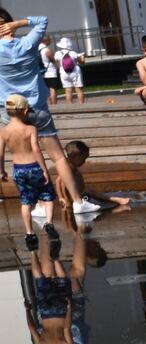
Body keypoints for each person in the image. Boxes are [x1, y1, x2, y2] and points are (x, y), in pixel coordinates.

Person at [0, 12, 81, 209]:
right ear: (9, 24)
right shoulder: (28, 42)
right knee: (58, 156)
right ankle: (78, 202)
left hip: (9, 109)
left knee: (23, 158)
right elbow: (43, 20)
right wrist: (19, 24)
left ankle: (36, 205)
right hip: (36, 105)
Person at [0, 94, 55, 251]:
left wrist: (2, 170)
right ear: (25, 111)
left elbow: (1, 154)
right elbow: (36, 150)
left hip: (19, 170)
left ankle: (30, 233)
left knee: (26, 201)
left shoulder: (3, 132)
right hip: (34, 167)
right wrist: (44, 170)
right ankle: (49, 223)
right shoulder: (31, 129)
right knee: (47, 196)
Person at [63, 139, 131, 214]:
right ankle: (117, 200)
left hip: (80, 196)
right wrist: (65, 198)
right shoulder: (69, 167)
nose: (84, 161)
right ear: (74, 155)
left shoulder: (70, 166)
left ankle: (113, 198)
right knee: (89, 191)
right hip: (76, 197)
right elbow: (59, 181)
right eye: (83, 158)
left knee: (91, 192)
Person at [55, 37, 81, 103]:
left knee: (68, 90)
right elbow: (81, 61)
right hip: (75, 72)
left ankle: (70, 105)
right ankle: (82, 104)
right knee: (78, 89)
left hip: (63, 72)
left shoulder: (57, 53)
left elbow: (55, 62)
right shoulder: (73, 53)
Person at [37, 33, 52, 104]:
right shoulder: (46, 49)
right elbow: (52, 59)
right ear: (46, 40)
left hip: (40, 71)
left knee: (45, 88)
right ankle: (53, 103)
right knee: (52, 88)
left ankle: (48, 102)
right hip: (50, 71)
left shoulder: (36, 49)